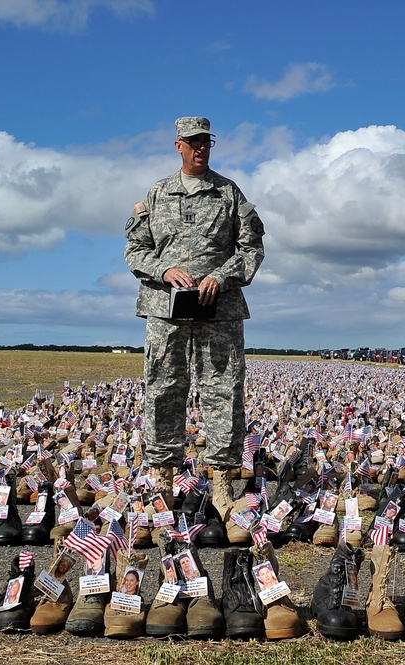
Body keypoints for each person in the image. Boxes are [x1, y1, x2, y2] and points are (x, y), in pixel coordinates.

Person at [124, 116, 265, 523]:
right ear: (178, 146)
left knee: (223, 390)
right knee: (163, 388)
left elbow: (252, 247)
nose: (201, 148)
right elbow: (135, 250)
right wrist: (164, 271)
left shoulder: (228, 193)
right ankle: (163, 479)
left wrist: (221, 276)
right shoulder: (156, 193)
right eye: (193, 142)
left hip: (218, 308)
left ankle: (221, 479)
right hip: (164, 308)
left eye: (206, 142)